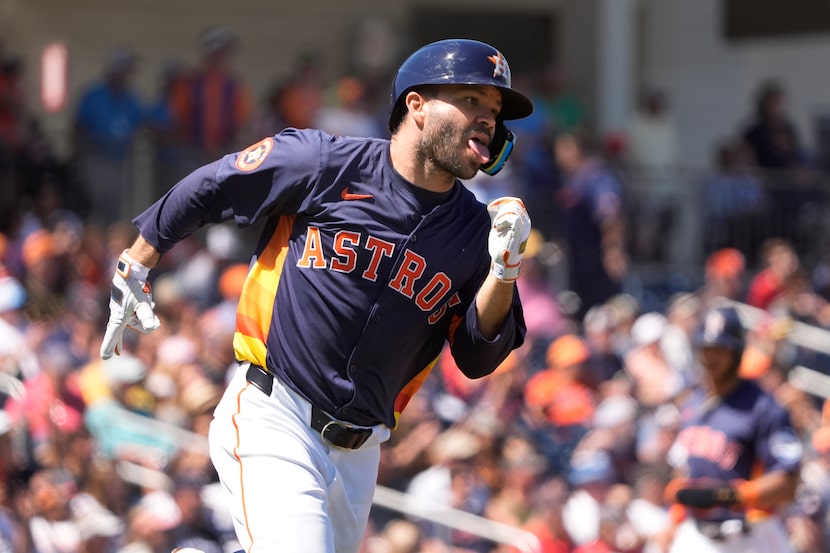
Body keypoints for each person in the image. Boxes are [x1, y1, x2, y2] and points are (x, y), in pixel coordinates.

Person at [98, 38, 533, 553]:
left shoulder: (475, 230)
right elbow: (213, 186)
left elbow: (479, 355)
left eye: (494, 109)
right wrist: (138, 260)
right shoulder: (327, 162)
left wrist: (504, 272)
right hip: (275, 412)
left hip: (360, 453)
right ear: (416, 105)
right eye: (472, 101)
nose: (487, 118)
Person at [662, 304, 802, 553]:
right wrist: (674, 518)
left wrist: (733, 496)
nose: (711, 356)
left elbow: (788, 483)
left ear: (736, 352)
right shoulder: (694, 402)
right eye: (706, 348)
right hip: (697, 535)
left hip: (752, 537)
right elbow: (686, 468)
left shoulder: (764, 406)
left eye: (720, 348)